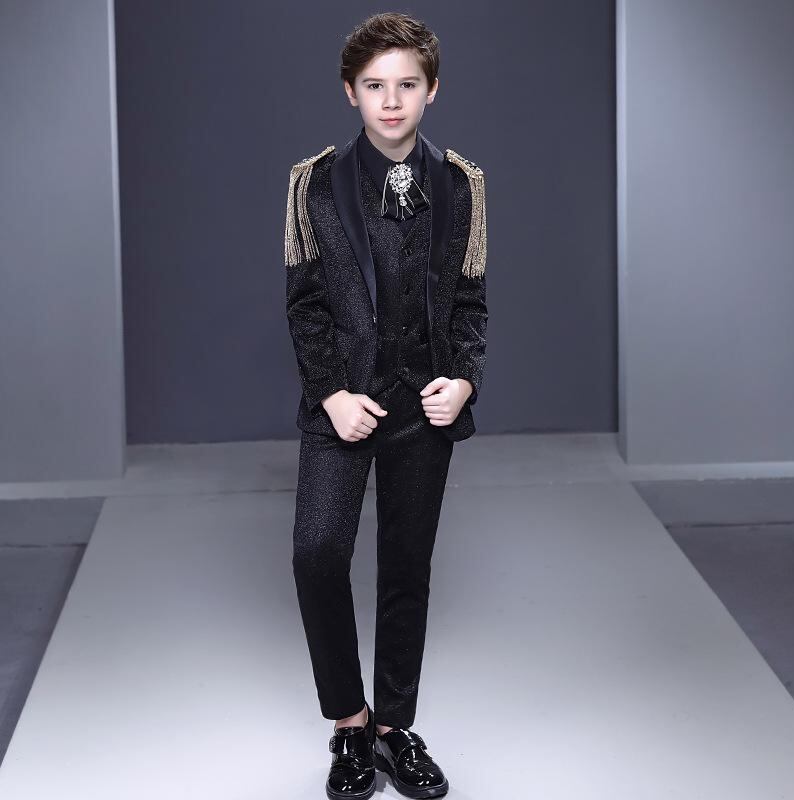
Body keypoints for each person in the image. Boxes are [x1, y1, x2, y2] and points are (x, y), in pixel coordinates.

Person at [284, 12, 488, 799]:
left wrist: (463, 379)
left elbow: (469, 300)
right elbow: (305, 304)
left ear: (432, 90)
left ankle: (395, 729)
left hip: (421, 405)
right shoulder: (314, 182)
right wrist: (331, 393)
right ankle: (350, 723)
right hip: (343, 404)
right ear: (351, 92)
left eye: (407, 84)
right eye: (375, 86)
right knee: (317, 552)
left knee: (406, 567)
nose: (391, 100)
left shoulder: (462, 184)